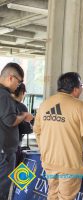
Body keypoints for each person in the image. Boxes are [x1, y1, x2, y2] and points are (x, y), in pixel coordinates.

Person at [33, 72, 83, 200]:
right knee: (66, 197)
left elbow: (37, 131)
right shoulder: (80, 106)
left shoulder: (45, 104)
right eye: (82, 85)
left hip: (49, 162)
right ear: (76, 88)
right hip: (70, 164)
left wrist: (45, 151)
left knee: (52, 195)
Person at [0, 62, 33, 199]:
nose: (18, 86)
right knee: (3, 189)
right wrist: (24, 116)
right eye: (18, 82)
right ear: (11, 78)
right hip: (4, 153)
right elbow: (10, 120)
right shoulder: (5, 96)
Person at [12, 83, 33, 165]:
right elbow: (25, 129)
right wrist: (30, 124)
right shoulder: (21, 107)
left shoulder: (4, 103)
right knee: (13, 172)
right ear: (22, 93)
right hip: (14, 145)